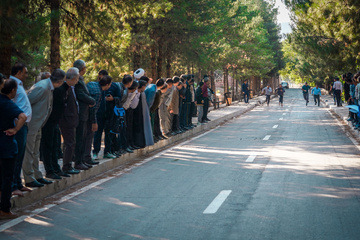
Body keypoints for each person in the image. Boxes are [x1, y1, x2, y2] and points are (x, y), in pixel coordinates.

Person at [23, 69, 65, 188]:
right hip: (32, 124)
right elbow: (27, 103)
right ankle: (29, 177)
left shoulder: (49, 87)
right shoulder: (42, 87)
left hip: (39, 123)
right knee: (29, 151)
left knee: (36, 152)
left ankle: (37, 175)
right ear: (60, 81)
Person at [41, 68, 80, 180]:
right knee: (48, 146)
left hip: (56, 122)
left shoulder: (65, 89)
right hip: (49, 121)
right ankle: (50, 170)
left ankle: (56, 168)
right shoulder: (59, 89)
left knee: (55, 146)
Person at [0, 79, 27, 219]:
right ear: (12, 91)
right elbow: (23, 116)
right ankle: (4, 209)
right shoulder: (7, 104)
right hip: (6, 145)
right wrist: (16, 129)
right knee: (7, 178)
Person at [9, 64, 33, 196]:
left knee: (20, 156)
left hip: (23, 125)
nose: (26, 75)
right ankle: (13, 186)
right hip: (18, 125)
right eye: (25, 72)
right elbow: (10, 104)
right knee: (16, 156)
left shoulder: (19, 84)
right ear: (18, 72)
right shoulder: (12, 84)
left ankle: (18, 183)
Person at [84, 75, 113, 165]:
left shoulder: (92, 84)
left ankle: (84, 157)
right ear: (107, 84)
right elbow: (93, 109)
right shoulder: (98, 93)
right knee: (89, 137)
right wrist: (94, 122)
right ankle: (87, 158)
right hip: (87, 117)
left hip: (82, 114)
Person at [74, 60, 96, 170]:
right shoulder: (77, 81)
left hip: (84, 113)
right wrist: (91, 100)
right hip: (81, 113)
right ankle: (78, 161)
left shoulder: (81, 79)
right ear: (82, 69)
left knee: (82, 138)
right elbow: (81, 95)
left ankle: (82, 160)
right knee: (79, 139)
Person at [58, 68, 81, 175]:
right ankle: (66, 166)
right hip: (67, 121)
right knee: (69, 143)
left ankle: (68, 164)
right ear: (72, 79)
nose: (77, 81)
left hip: (72, 120)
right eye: (76, 79)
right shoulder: (63, 88)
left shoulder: (70, 87)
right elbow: (62, 107)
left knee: (71, 143)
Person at [92, 70, 110, 160]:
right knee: (97, 134)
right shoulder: (96, 87)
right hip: (98, 114)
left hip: (108, 113)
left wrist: (113, 98)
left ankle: (107, 151)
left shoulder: (110, 86)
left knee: (108, 133)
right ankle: (95, 152)